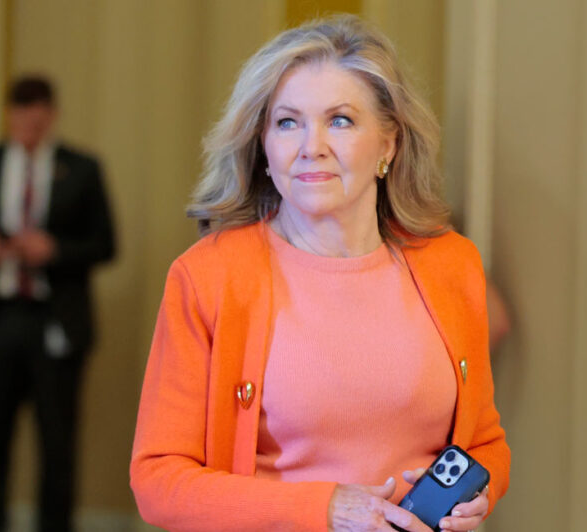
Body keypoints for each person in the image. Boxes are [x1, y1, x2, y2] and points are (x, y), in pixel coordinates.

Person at [130, 15, 510, 532]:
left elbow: (486, 443)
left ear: (389, 143)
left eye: (340, 121)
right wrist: (325, 509)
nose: (312, 146)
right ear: (264, 146)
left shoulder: (452, 263)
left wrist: (480, 494)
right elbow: (158, 481)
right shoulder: (208, 277)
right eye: (288, 122)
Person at [0, 75, 116, 531]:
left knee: (57, 445)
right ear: (10, 115)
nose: (30, 123)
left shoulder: (81, 169)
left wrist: (54, 249)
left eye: (38, 116)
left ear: (51, 115)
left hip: (55, 320)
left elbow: (105, 243)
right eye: (21, 115)